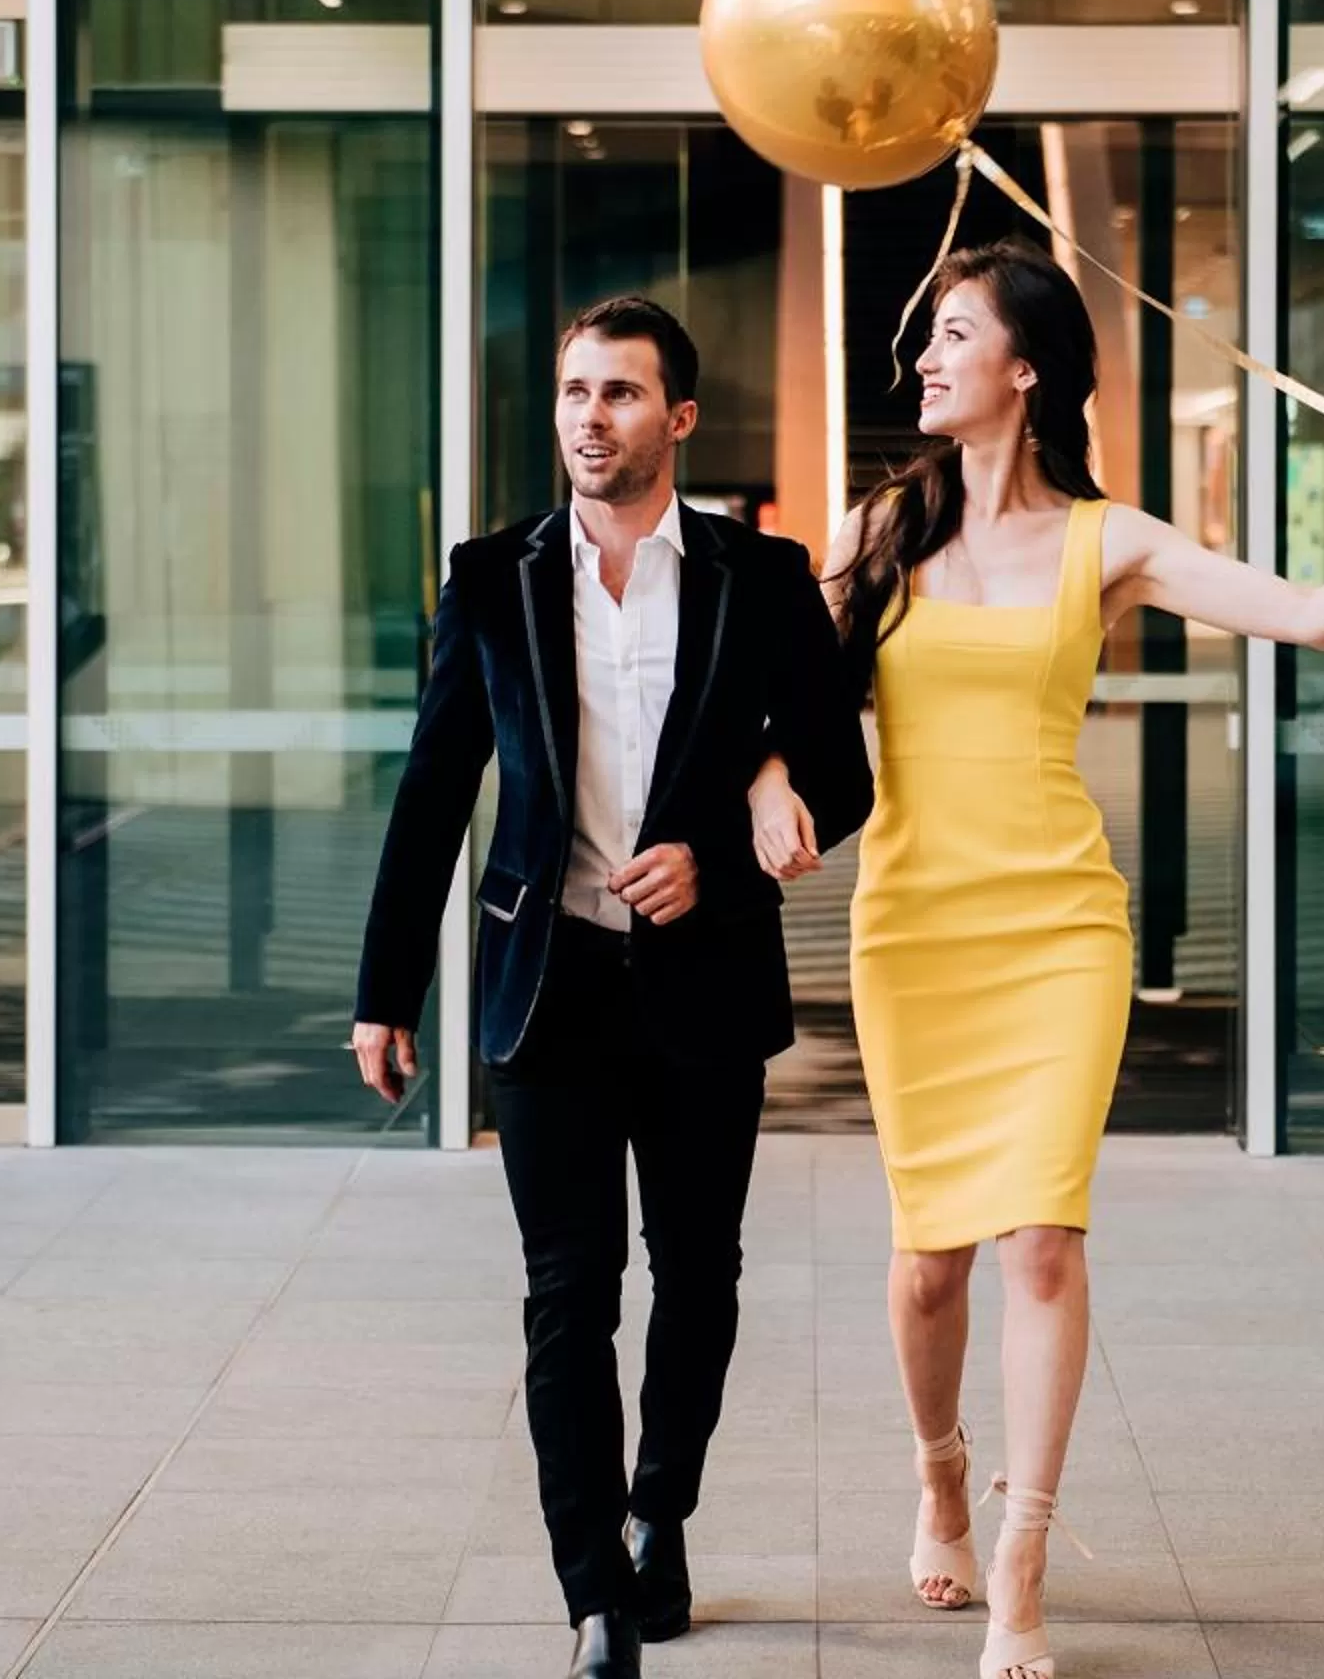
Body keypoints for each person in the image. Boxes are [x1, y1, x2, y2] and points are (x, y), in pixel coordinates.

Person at [747, 241, 1324, 1679]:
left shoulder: (1113, 543)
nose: (924, 358)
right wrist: (765, 782)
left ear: (1027, 370)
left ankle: (1024, 1565)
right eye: (927, 338)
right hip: (916, 926)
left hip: (1058, 927)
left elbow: (1297, 613)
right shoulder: (882, 533)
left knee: (1041, 1240)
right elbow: (779, 692)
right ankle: (939, 1474)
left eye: (955, 335)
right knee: (929, 1263)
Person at [352, 295, 874, 1679]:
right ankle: (592, 1588)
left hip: (703, 984)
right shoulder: (493, 580)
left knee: (697, 1274)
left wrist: (721, 847)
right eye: (578, 392)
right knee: (566, 1291)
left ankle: (662, 1511)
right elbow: (431, 793)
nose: (594, 417)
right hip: (549, 982)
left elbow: (845, 772)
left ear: (680, 419)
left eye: (624, 394)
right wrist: (384, 991)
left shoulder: (762, 581)